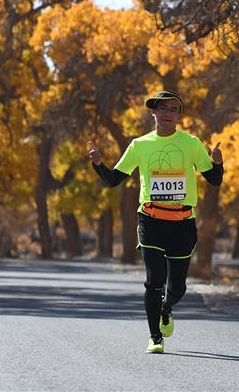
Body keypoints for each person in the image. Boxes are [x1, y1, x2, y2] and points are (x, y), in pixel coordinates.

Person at [88, 90, 224, 354]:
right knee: (154, 281)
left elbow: (215, 180)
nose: (167, 113)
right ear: (153, 112)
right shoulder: (140, 145)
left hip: (182, 223)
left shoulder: (192, 144)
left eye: (173, 109)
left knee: (177, 287)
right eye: (162, 108)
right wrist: (98, 163)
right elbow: (113, 179)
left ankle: (166, 307)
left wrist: (218, 164)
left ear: (178, 115)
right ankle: (154, 337)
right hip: (150, 220)